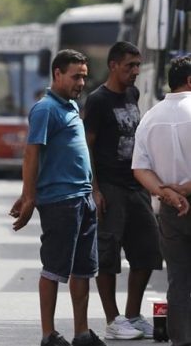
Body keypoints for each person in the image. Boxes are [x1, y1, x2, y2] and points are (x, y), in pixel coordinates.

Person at [10, 49, 107, 346]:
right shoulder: (45, 109)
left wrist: (93, 189)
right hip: (60, 201)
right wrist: (29, 197)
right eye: (76, 76)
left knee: (83, 270)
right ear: (57, 74)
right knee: (53, 268)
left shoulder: (71, 107)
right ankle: (48, 334)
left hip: (82, 198)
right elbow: (31, 154)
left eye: (84, 77)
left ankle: (81, 332)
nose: (81, 82)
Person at [82, 41, 160, 340]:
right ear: (113, 65)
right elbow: (87, 146)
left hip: (135, 184)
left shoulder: (133, 93)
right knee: (108, 255)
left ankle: (133, 315)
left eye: (138, 65)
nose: (136, 71)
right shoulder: (98, 100)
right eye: (130, 65)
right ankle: (113, 319)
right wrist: (95, 189)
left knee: (148, 250)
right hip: (110, 187)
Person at [132, 55, 191, 346]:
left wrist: (168, 194)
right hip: (184, 201)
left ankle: (180, 340)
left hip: (169, 211)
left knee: (177, 280)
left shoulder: (150, 117)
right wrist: (185, 190)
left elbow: (139, 168)